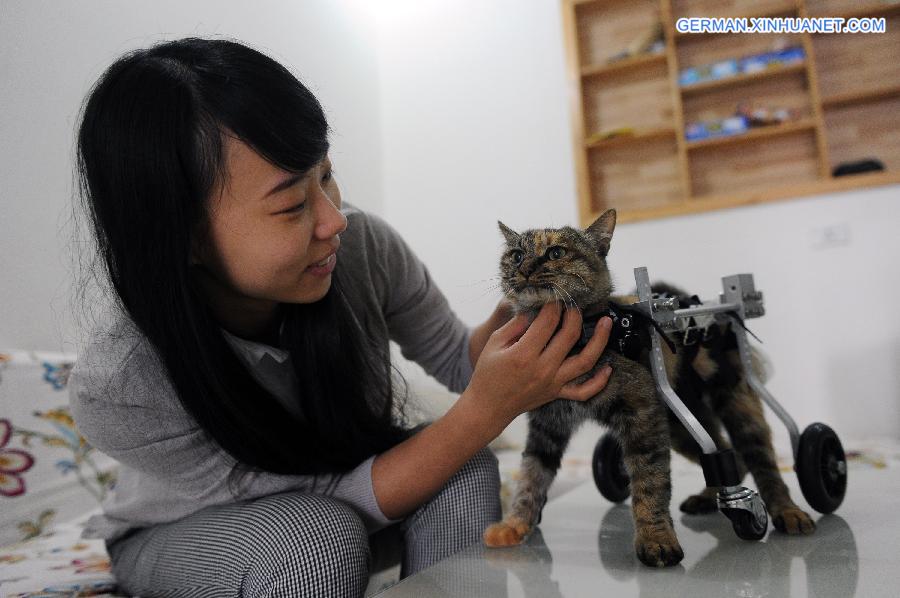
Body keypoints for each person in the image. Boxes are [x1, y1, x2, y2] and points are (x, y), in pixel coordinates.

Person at [68, 37, 613, 597]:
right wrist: (485, 410)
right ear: (181, 237)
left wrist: (522, 316)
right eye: (291, 205)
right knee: (316, 541)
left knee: (465, 465)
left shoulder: (364, 246)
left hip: (344, 502)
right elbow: (322, 502)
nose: (335, 221)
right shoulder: (120, 384)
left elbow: (456, 358)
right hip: (193, 535)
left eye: (325, 176)